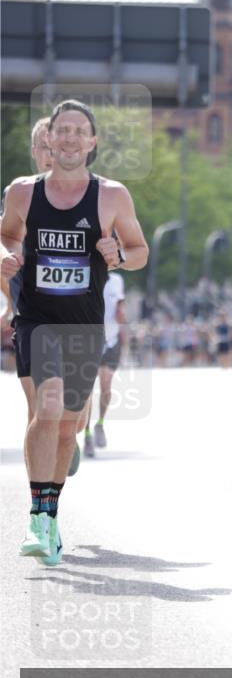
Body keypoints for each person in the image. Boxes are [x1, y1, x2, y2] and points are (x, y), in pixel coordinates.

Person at [0, 99, 149, 566]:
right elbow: (6, 234)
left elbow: (140, 250)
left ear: (91, 142)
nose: (69, 138)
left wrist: (118, 256)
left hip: (84, 325)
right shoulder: (22, 192)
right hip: (37, 319)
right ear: (48, 139)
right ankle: (37, 518)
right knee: (45, 407)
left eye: (78, 131)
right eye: (61, 130)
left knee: (68, 427)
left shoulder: (112, 196)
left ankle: (51, 512)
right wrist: (5, 256)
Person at [0, 118, 82, 475]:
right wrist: (10, 302)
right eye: (45, 149)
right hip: (32, 317)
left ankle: (68, 436)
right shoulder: (18, 194)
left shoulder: (88, 194)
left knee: (71, 419)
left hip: (78, 316)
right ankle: (40, 501)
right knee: (38, 411)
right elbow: (4, 245)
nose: (52, 155)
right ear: (35, 152)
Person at [83, 269, 126, 457]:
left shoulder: (117, 279)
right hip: (89, 341)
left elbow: (120, 307)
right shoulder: (87, 274)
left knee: (106, 386)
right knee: (87, 391)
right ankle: (87, 434)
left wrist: (121, 314)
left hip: (111, 340)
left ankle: (100, 424)